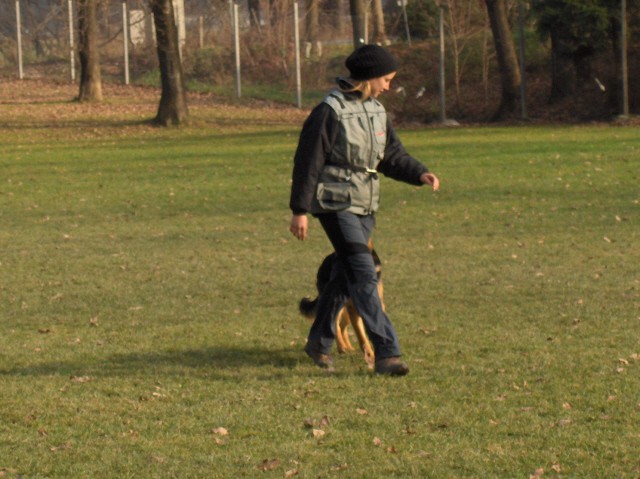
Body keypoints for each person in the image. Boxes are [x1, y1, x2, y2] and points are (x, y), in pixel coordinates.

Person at [288, 44, 440, 376]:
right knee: (363, 273)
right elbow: (307, 161)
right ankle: (388, 353)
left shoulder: (376, 111)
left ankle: (319, 342)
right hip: (334, 203)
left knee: (345, 277)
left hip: (365, 203)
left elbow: (391, 155)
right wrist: (299, 209)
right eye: (386, 79)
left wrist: (418, 172)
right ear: (369, 77)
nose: (389, 86)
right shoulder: (329, 111)